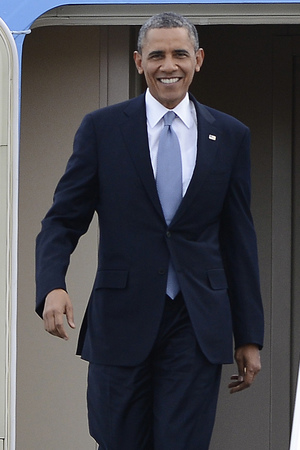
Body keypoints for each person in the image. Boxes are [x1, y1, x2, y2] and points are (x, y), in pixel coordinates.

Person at [36, 12, 264, 450]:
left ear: (198, 59)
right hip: (121, 322)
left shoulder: (231, 135)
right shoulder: (102, 130)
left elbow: (240, 239)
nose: (169, 65)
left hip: (196, 324)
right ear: (138, 61)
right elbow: (62, 220)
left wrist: (249, 335)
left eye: (180, 53)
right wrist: (52, 285)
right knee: (118, 440)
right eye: (156, 55)